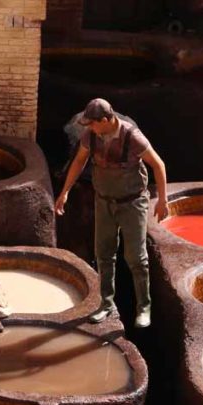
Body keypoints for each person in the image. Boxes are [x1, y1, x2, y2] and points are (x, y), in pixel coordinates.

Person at [54, 98, 168, 328]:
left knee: (136, 257)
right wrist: (64, 191)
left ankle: (143, 307)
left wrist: (163, 200)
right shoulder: (91, 136)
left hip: (132, 203)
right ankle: (105, 304)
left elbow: (158, 164)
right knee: (104, 255)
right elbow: (79, 161)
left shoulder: (131, 136)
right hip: (104, 201)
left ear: (106, 120)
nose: (89, 128)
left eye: (93, 123)